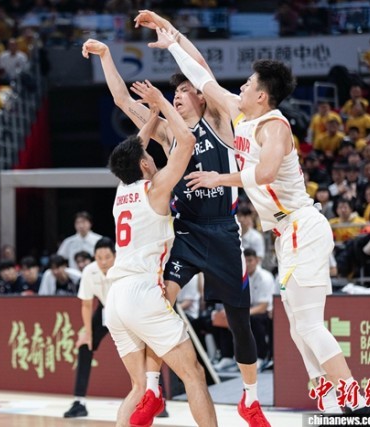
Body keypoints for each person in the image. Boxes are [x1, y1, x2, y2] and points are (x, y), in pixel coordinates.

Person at [173, 26, 370, 414]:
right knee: (300, 328)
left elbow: (266, 172)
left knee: (309, 325)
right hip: (287, 234)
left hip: (302, 226)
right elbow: (202, 75)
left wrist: (220, 178)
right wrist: (171, 38)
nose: (241, 86)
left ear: (261, 95)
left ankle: (358, 401)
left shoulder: (275, 127)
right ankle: (333, 405)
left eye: (248, 83)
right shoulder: (240, 114)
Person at [85, 11, 269, 425]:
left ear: (201, 97)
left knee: (239, 319)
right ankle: (152, 389)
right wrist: (107, 57)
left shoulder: (219, 121)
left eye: (186, 90)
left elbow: (200, 66)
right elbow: (122, 100)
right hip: (185, 230)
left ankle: (251, 398)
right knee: (161, 301)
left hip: (223, 230)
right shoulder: (169, 133)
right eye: (176, 92)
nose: (180, 95)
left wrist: (168, 30)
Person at [104, 75, 217, 427]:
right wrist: (164, 107)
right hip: (142, 293)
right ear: (144, 164)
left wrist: (152, 115)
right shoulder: (155, 188)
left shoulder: (121, 190)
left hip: (115, 299)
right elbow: (186, 142)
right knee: (194, 374)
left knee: (138, 387)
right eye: (148, 156)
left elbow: (133, 148)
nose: (152, 157)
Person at [63, 237, 116, 418]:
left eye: (107, 257)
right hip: (105, 309)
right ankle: (79, 402)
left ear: (115, 256)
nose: (103, 262)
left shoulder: (125, 268)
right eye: (99, 257)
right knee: (85, 345)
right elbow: (86, 304)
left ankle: (159, 398)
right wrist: (87, 332)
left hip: (127, 310)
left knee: (146, 349)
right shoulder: (89, 271)